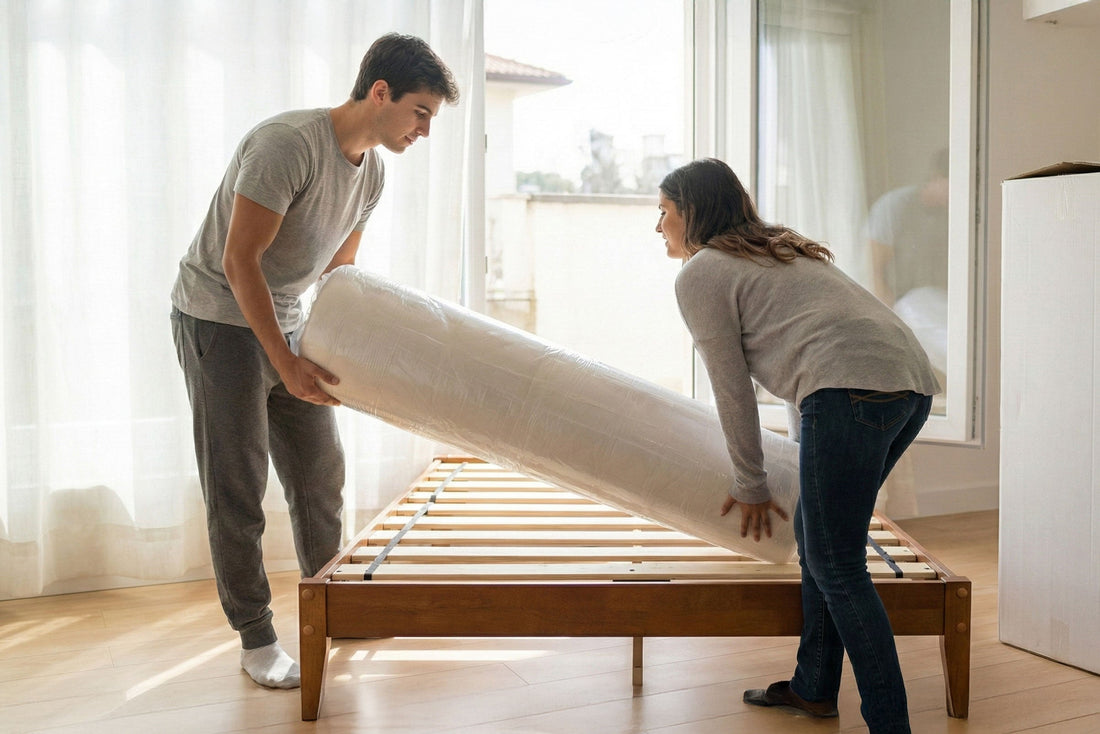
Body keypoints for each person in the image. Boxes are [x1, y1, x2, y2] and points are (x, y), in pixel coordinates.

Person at [170, 33, 458, 689]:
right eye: (420, 112)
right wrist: (285, 362)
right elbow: (238, 263)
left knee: (319, 473)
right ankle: (256, 640)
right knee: (238, 490)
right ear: (379, 92)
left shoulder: (373, 174)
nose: (425, 130)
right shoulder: (286, 145)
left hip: (287, 320)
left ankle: (335, 606)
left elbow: (339, 273)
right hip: (218, 318)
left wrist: (351, 354)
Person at [655, 158, 940, 734]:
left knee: (836, 564)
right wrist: (798, 452)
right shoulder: (781, 249)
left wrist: (751, 483)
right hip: (909, 385)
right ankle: (813, 688)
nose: (657, 226)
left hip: (848, 389)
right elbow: (804, 353)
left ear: (691, 212)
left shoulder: (703, 271)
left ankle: (892, 725)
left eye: (663, 212)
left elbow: (731, 384)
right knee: (822, 546)